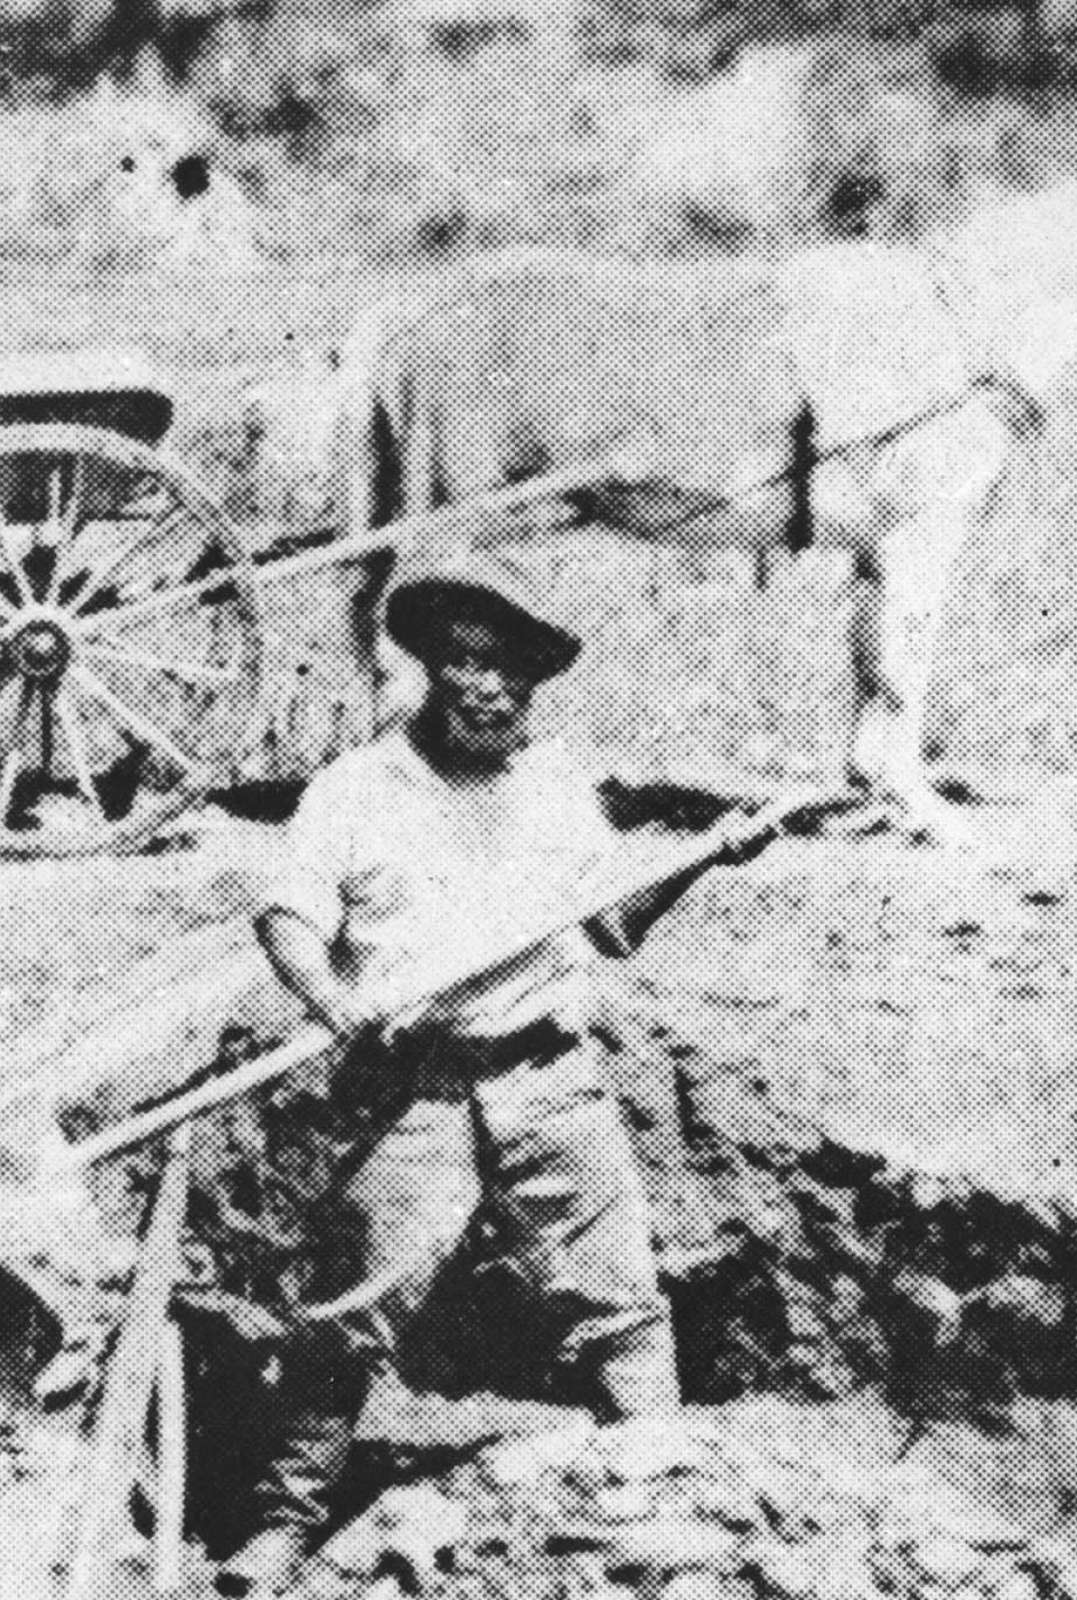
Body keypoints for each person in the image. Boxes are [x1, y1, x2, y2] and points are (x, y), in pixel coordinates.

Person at [217, 557, 782, 1599]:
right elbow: (289, 914)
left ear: (534, 679)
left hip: (552, 1081)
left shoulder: (557, 788)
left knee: (619, 1303)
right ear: (431, 668)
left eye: (508, 668)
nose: (487, 688)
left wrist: (704, 855)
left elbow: (609, 925)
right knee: (351, 1314)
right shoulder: (358, 788)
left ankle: (666, 1501)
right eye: (465, 663)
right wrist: (332, 1002)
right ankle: (283, 1523)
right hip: (415, 1087)